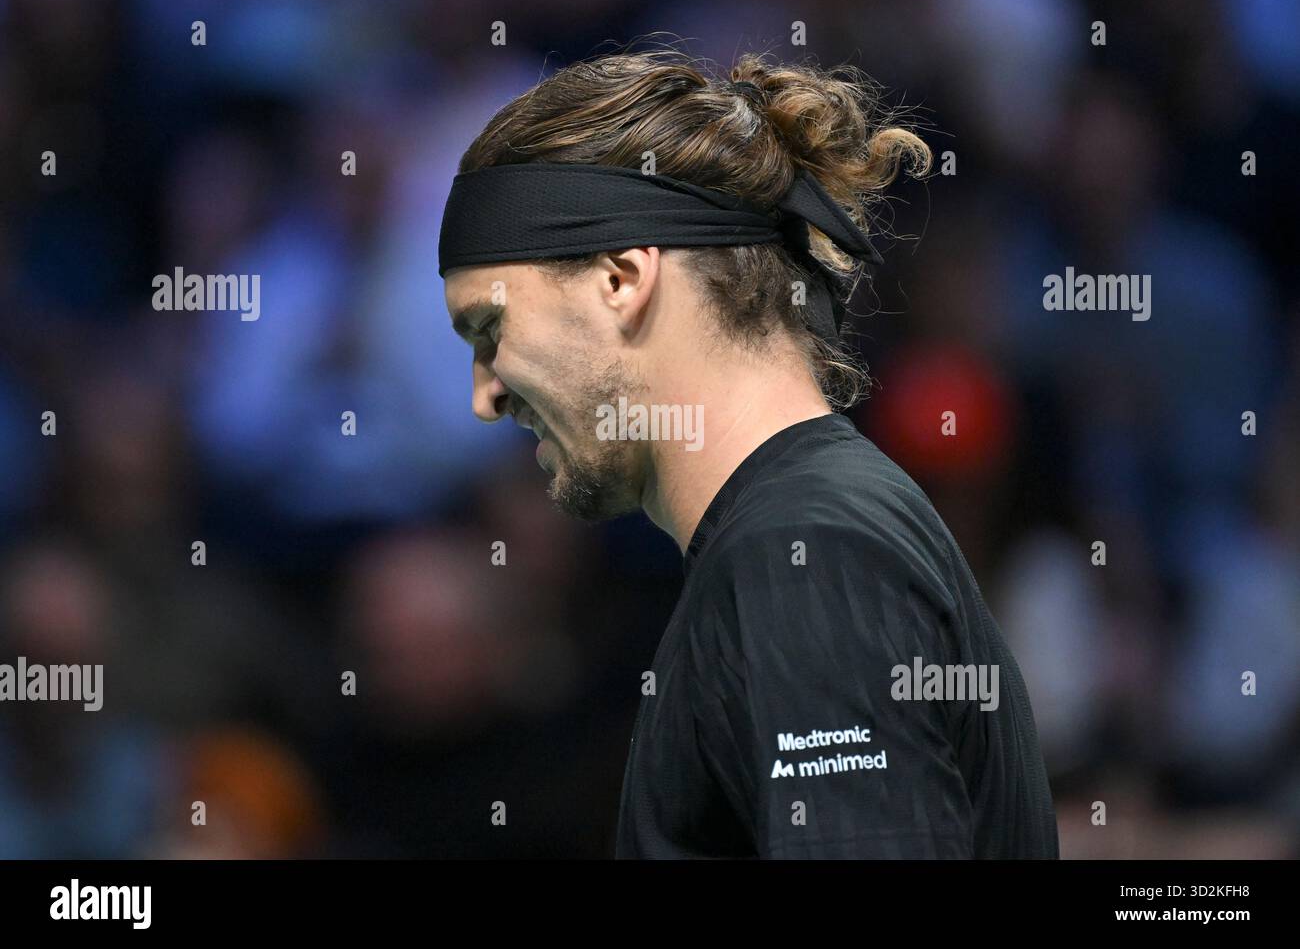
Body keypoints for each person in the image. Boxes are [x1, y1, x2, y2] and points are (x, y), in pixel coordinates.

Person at [438, 47, 1059, 859]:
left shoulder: (804, 550)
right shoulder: (797, 537)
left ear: (623, 279)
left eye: (490, 330)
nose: (484, 396)